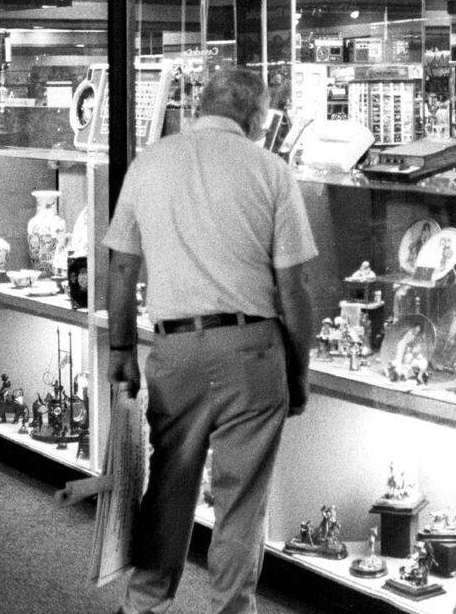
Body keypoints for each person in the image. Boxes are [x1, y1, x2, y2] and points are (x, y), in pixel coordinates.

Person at [104, 66, 318, 614]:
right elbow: (294, 288)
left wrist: (123, 350)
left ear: (202, 105)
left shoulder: (147, 165)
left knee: (169, 490)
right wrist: (298, 370)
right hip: (254, 352)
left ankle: (143, 606)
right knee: (241, 504)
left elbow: (121, 270)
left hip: (174, 351)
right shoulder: (272, 171)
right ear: (257, 117)